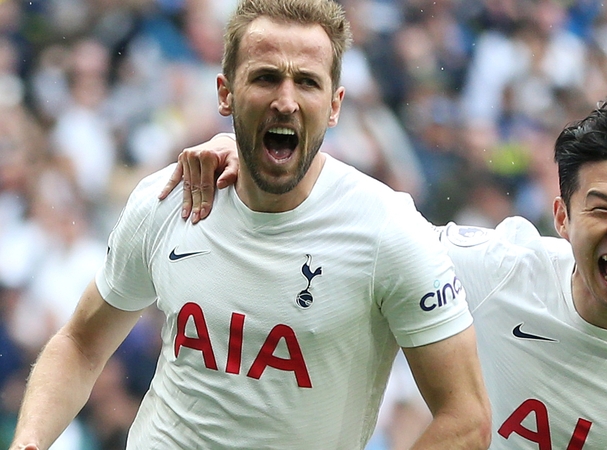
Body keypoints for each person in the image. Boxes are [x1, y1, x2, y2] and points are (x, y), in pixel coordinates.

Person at [9, 0, 492, 449]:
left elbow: (466, 417)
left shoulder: (387, 230)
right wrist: (29, 441)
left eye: (306, 81)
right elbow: (79, 343)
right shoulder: (170, 197)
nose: (285, 100)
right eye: (265, 78)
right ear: (225, 92)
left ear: (336, 103)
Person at [170, 93, 607, 448]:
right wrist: (254, 155)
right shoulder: (495, 273)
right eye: (600, 208)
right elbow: (375, 226)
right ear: (562, 217)